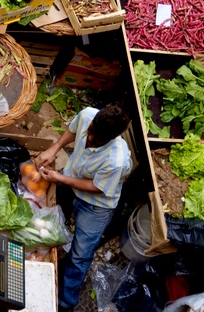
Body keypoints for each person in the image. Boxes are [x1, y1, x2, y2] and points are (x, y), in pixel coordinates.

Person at [34, 104, 132, 312]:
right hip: (72, 179)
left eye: (97, 140)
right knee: (53, 215)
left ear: (112, 139)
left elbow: (96, 187)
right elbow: (73, 129)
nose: (89, 140)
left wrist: (60, 177)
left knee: (80, 253)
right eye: (90, 133)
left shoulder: (116, 160)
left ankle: (65, 301)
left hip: (95, 206)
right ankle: (53, 245)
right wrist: (54, 148)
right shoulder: (88, 115)